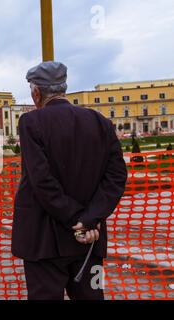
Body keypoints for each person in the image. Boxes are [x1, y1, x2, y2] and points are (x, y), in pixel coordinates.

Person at [12, 61, 128, 300]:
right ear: (65, 88)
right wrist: (89, 219)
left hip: (44, 243)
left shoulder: (31, 122)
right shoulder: (101, 122)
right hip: (90, 241)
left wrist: (76, 218)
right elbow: (116, 177)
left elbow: (42, 181)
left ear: (36, 93)